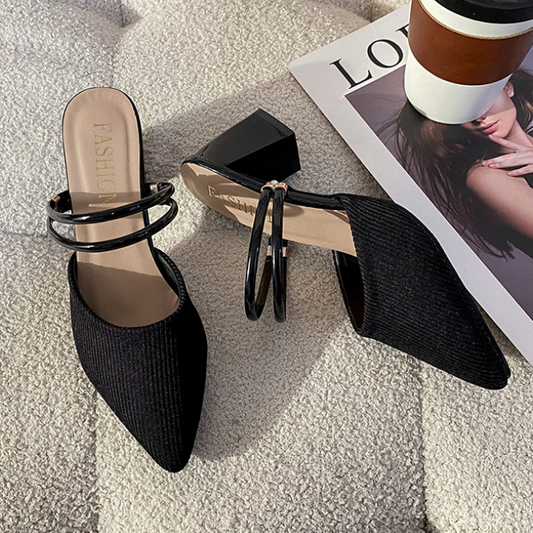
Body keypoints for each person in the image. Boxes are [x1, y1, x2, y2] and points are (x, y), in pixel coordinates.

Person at [392, 69, 533, 259]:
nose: (478, 118)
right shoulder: (485, 176)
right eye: (462, 112)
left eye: (482, 100)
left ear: (507, 88)